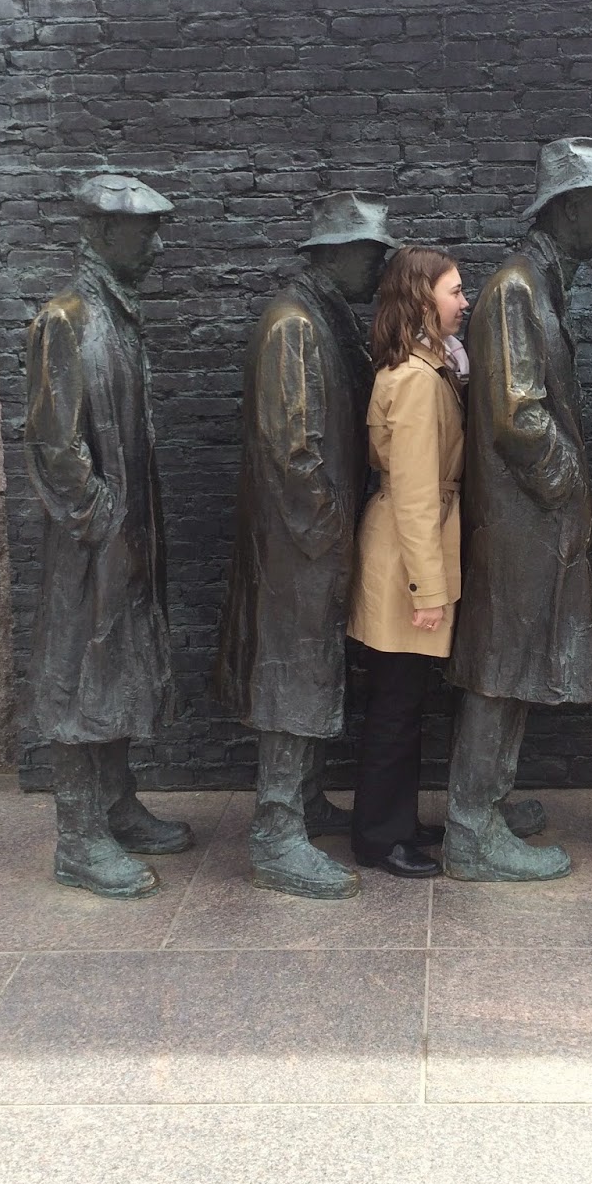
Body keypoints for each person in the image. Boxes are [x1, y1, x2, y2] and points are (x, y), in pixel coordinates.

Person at [444, 137, 592, 881]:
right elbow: (518, 416)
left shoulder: (538, 285)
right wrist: (568, 487)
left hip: (532, 518)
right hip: (521, 520)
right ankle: (471, 828)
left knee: (518, 665)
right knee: (501, 668)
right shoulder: (517, 289)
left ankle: (489, 801)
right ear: (569, 208)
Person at [215, 192, 398, 899]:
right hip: (301, 542)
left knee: (314, 670)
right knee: (292, 676)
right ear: (334, 253)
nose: (379, 267)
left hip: (313, 539)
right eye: (371, 253)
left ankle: (306, 799)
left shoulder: (326, 317)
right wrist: (328, 532)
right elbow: (294, 450)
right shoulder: (293, 324)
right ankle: (276, 832)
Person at [25, 173, 194, 899]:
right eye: (143, 233)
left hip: (122, 533)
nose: (156, 247)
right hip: (88, 541)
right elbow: (54, 443)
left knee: (117, 662)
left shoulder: (116, 315)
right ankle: (78, 835)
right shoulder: (67, 318)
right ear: (99, 233)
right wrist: (101, 517)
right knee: (78, 668)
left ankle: (117, 804)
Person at [347, 247, 469, 877]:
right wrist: (428, 590)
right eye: (454, 291)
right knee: (395, 703)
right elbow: (417, 494)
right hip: (406, 557)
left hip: (402, 547)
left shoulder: (425, 368)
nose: (464, 302)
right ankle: (378, 837)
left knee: (403, 697)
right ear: (423, 300)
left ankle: (395, 821)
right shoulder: (419, 382)